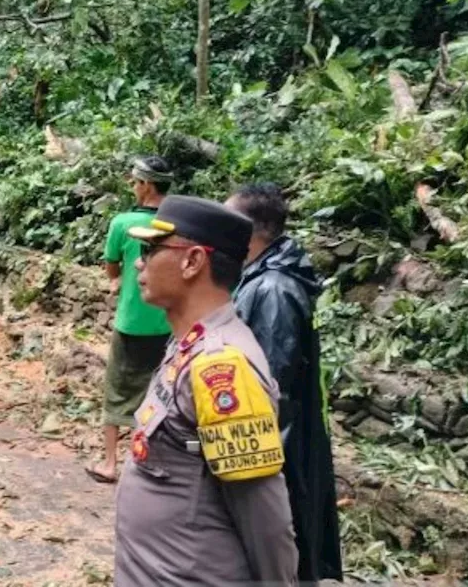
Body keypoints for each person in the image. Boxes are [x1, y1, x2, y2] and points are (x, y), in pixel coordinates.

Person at [116, 195, 298, 586]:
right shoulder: (189, 342)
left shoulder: (223, 368)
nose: (138, 262)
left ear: (193, 261)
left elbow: (265, 517)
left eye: (151, 250)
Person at [226, 183, 342, 584]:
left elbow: (271, 383)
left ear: (249, 228)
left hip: (279, 444)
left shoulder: (274, 289)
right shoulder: (259, 276)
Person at [86, 156, 174, 484]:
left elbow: (111, 267)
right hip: (169, 323)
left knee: (117, 391)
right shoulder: (180, 222)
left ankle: (110, 462)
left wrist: (116, 280)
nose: (134, 189)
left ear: (146, 185)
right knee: (161, 393)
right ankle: (150, 461)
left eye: (136, 183)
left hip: (133, 322)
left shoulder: (123, 223)